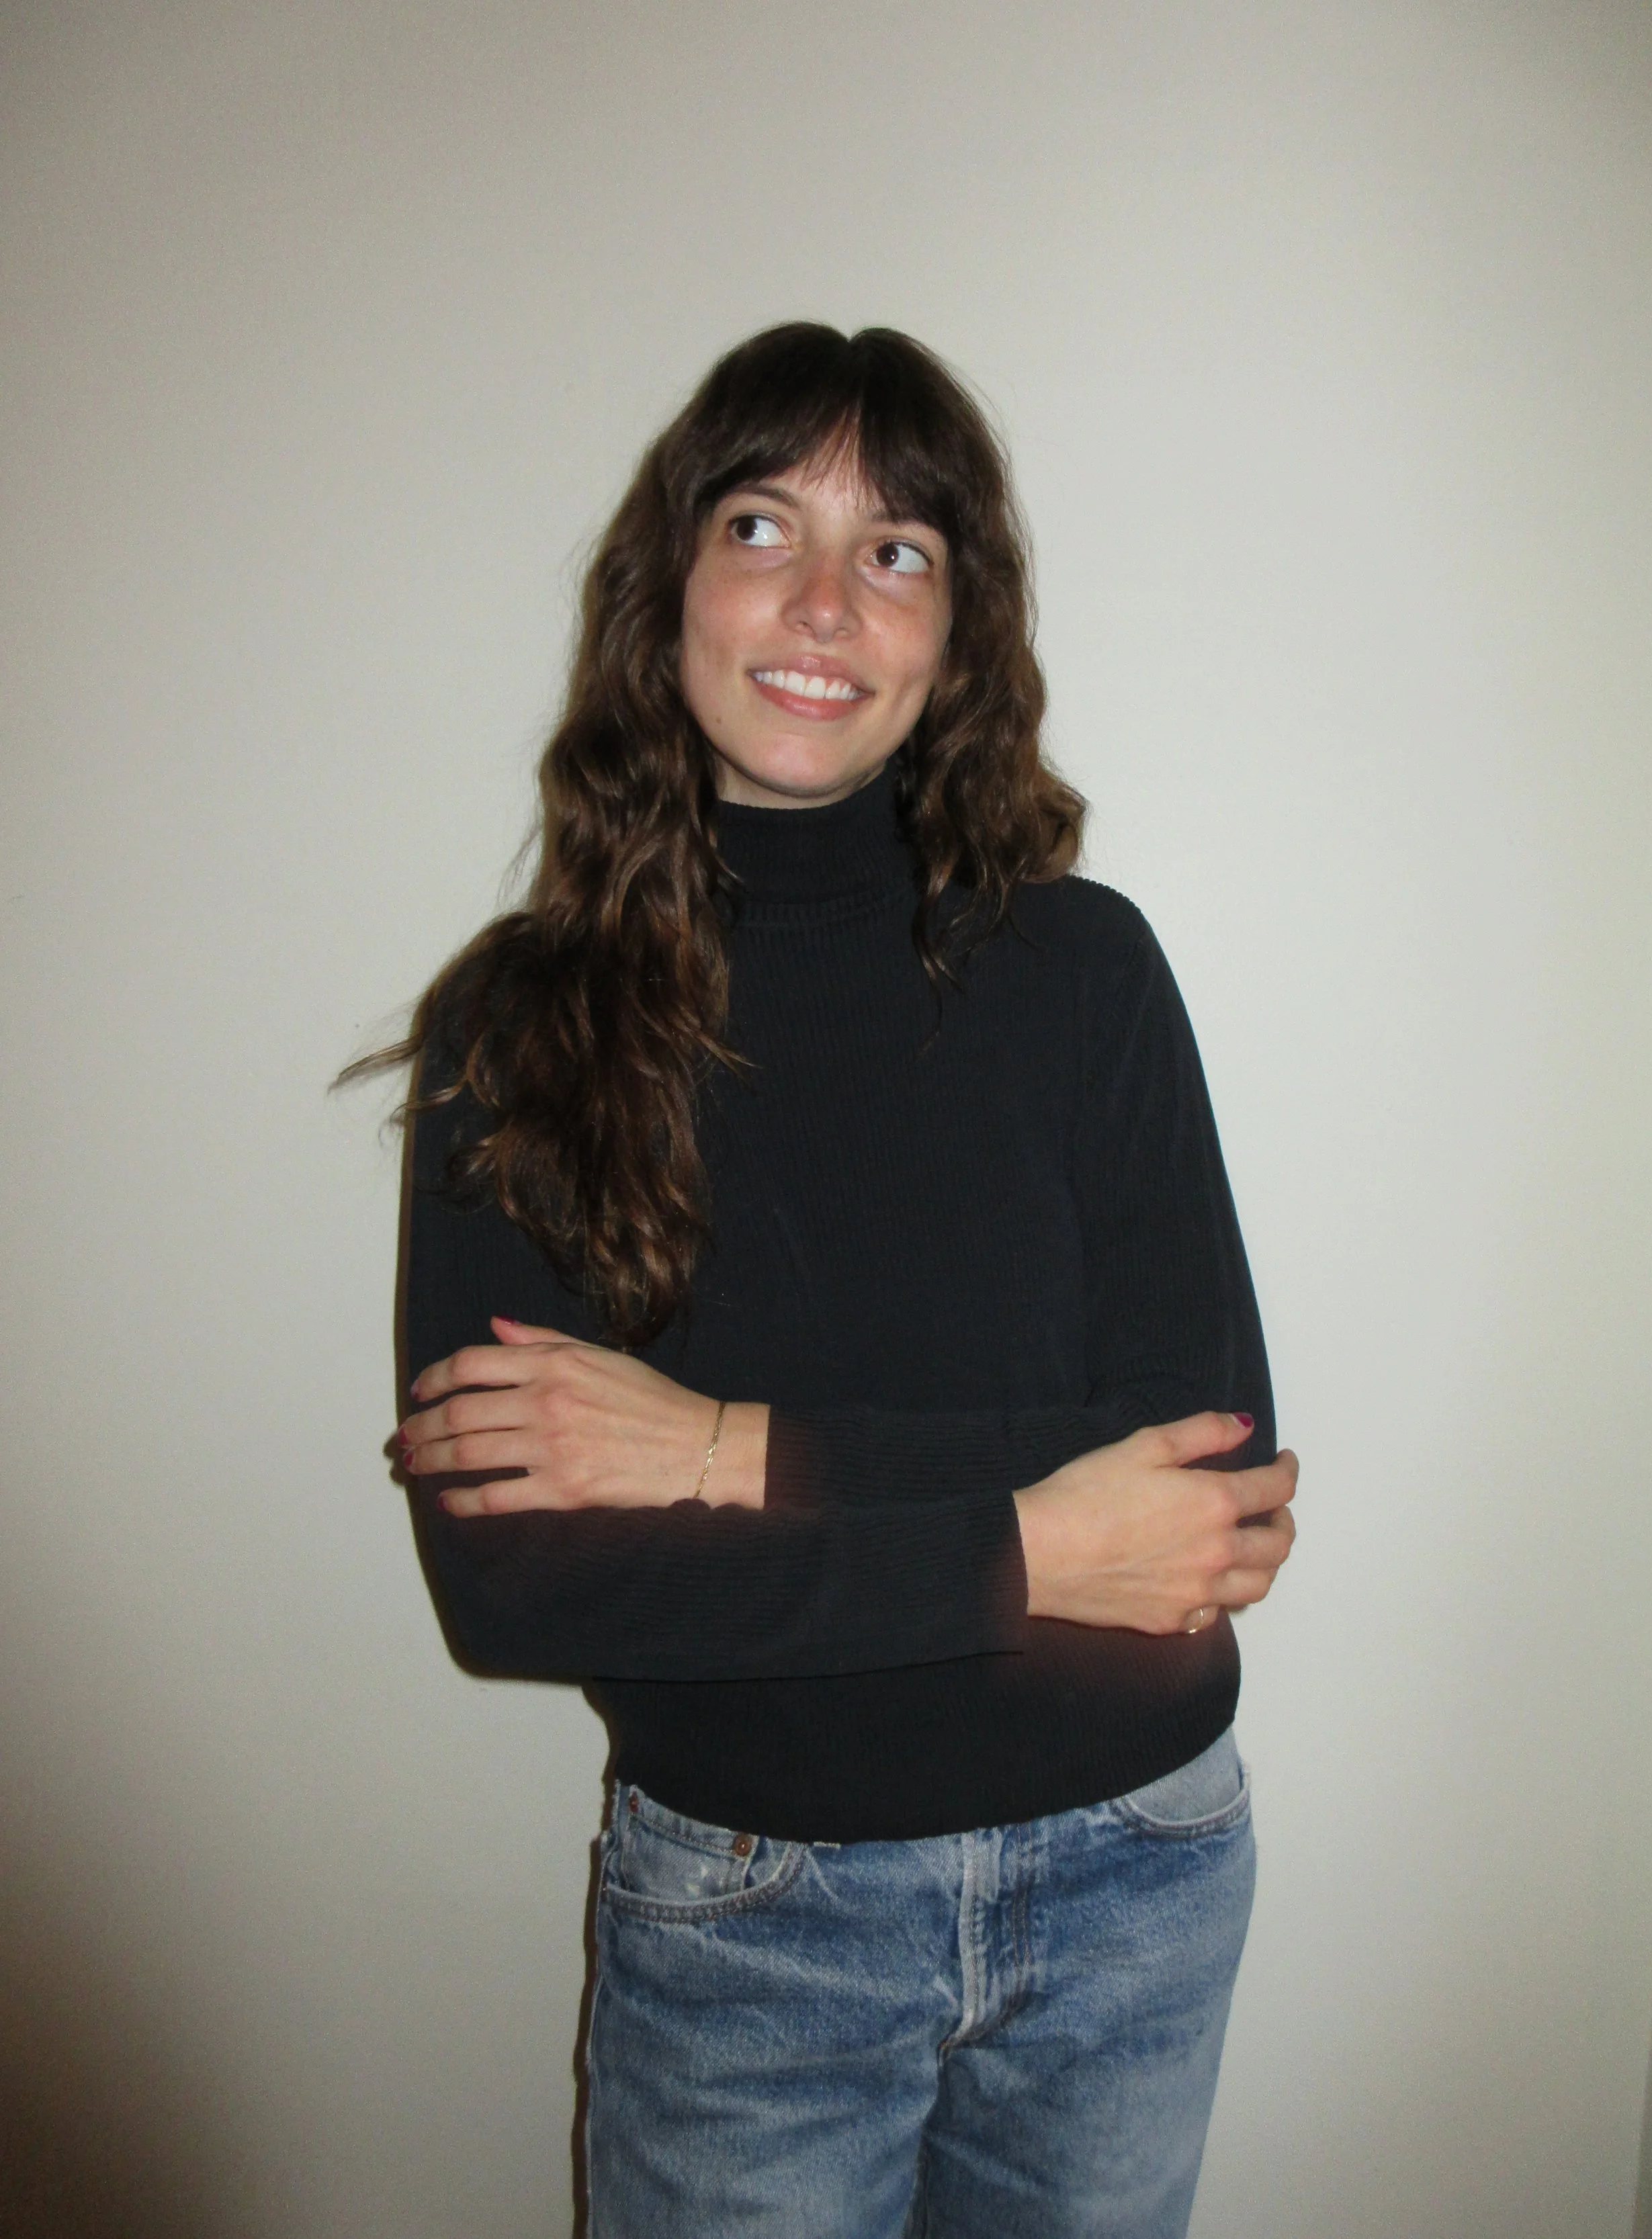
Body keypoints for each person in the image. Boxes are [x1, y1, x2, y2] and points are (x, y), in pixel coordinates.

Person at [386, 322, 1297, 2238]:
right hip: (754, 1926)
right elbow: (517, 1575)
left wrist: (717, 1444)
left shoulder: (1078, 969)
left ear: (958, 633)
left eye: (897, 551)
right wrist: (1035, 1539)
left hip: (1135, 1879)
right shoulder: (521, 1021)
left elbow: (1205, 1494)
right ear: (668, 588)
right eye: (762, 522)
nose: (822, 601)